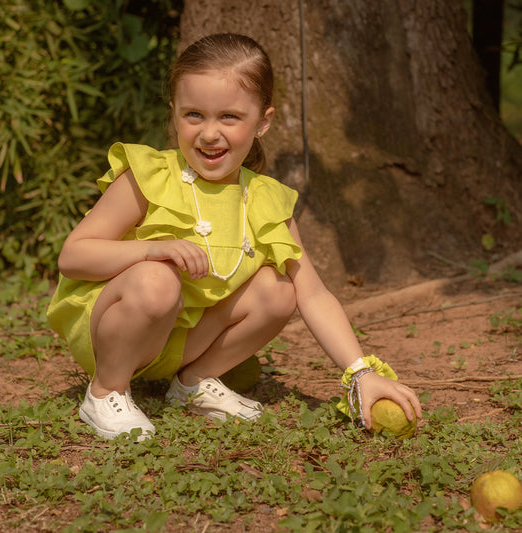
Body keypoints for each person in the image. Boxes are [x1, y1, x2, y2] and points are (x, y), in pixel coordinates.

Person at [47, 33, 422, 441]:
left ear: (262, 121)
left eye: (229, 117)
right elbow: (73, 256)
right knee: (157, 279)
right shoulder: (150, 176)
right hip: (114, 337)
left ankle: (193, 382)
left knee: (280, 290)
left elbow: (313, 295)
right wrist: (152, 249)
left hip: (180, 346)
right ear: (173, 113)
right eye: (194, 115)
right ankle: (105, 393)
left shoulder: (264, 199)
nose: (209, 133)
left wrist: (361, 373)